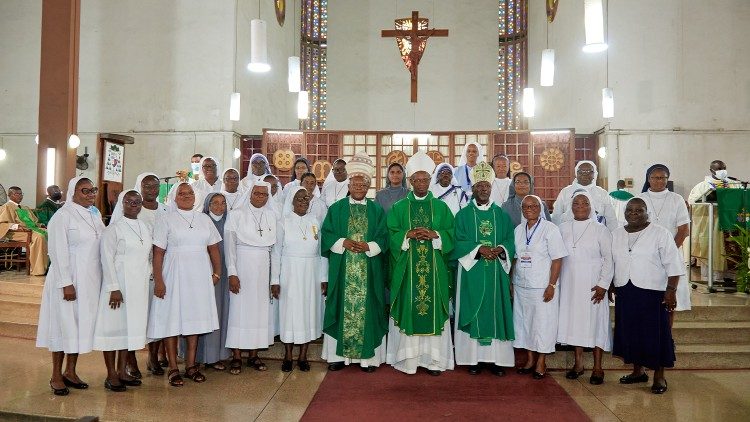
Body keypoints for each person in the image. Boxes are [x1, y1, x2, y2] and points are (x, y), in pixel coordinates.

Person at [386, 150, 455, 376]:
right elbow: (391, 234)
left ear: (430, 180)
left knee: (433, 309)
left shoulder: (442, 207)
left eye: (426, 179)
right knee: (410, 308)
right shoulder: (399, 208)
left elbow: (452, 234)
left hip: (435, 270)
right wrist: (408, 235)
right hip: (407, 270)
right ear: (411, 181)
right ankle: (410, 359)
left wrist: (436, 235)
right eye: (418, 179)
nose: (422, 183)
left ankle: (434, 360)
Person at [148, 182, 222, 387]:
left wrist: (216, 273)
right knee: (172, 319)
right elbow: (158, 253)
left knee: (194, 319)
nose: (187, 196)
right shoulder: (166, 219)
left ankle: (190, 365)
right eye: (182, 193)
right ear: (174, 197)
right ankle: (173, 367)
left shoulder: (204, 219)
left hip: (199, 275)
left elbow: (214, 248)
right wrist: (159, 280)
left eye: (190, 192)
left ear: (196, 196)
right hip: (173, 273)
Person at [36, 177, 105, 396]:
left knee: (78, 326)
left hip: (90, 280)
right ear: (73, 192)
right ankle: (56, 375)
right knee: (62, 324)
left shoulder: (95, 214)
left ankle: (71, 372)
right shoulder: (62, 216)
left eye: (92, 190)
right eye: (85, 190)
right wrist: (66, 283)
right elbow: (56, 251)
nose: (90, 194)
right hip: (68, 279)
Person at [321, 151, 389, 372]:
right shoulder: (337, 209)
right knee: (340, 307)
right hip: (343, 269)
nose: (359, 188)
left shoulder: (376, 210)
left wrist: (369, 246)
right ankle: (338, 357)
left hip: (368, 270)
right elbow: (327, 234)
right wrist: (343, 242)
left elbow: (384, 237)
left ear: (368, 187)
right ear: (349, 185)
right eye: (355, 184)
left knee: (369, 308)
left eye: (363, 185)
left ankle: (368, 359)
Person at [612, 198, 684, 394]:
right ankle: (638, 371)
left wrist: (671, 291)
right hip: (626, 290)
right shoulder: (617, 234)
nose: (633, 213)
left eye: (639, 210)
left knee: (656, 333)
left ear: (647, 213)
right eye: (630, 210)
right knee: (631, 331)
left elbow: (674, 264)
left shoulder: (660, 233)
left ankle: (659, 376)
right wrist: (611, 283)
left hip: (652, 292)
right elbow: (612, 261)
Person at [453, 162, 515, 376]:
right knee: (473, 308)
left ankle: (497, 360)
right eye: (479, 186)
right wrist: (479, 249)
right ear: (473, 189)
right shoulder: (462, 215)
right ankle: (473, 359)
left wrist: (501, 249)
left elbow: (510, 239)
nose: (483, 190)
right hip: (472, 270)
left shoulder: (501, 215)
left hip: (496, 271)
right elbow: (458, 240)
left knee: (496, 309)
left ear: (490, 188)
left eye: (486, 186)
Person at [92, 190, 151, 392]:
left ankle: (123, 371)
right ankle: (111, 374)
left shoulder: (143, 226)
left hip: (138, 286)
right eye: (129, 201)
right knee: (113, 329)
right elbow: (106, 260)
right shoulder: (114, 229)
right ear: (122, 204)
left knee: (129, 329)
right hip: (118, 286)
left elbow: (146, 256)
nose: (134, 204)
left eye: (137, 201)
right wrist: (114, 288)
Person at [557, 191, 614, 385]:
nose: (580, 206)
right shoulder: (562, 228)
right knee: (575, 323)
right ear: (570, 207)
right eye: (576, 203)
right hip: (569, 284)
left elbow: (609, 259)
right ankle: (578, 364)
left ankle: (598, 367)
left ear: (591, 206)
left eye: (585, 203)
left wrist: (603, 284)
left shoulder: (600, 229)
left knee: (596, 323)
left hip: (593, 285)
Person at [224, 181, 278, 374]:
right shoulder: (236, 215)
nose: (260, 197)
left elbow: (274, 250)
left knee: (259, 311)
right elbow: (229, 246)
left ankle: (254, 354)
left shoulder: (272, 216)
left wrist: (274, 279)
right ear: (250, 194)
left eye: (264, 194)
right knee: (240, 310)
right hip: (242, 265)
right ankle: (237, 355)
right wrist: (232, 272)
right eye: (257, 193)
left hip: (263, 266)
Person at [272, 186, 327, 372]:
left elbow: (321, 253)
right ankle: (288, 356)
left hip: (311, 272)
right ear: (291, 201)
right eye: (299, 198)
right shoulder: (283, 222)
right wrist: (275, 280)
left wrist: (324, 277)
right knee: (289, 312)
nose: (303, 201)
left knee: (308, 312)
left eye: (306, 198)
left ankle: (303, 356)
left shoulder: (315, 221)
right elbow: (276, 253)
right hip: (289, 272)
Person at [512, 195, 567, 380]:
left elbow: (558, 259)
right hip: (522, 285)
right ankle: (529, 359)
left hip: (542, 286)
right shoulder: (519, 230)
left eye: (533, 205)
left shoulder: (550, 229)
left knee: (543, 324)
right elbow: (515, 258)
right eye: (525, 206)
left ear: (540, 208)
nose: (529, 209)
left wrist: (552, 284)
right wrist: (512, 281)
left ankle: (541, 361)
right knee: (524, 323)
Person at [639, 164, 691, 315]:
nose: (659, 181)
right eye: (655, 178)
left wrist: (668, 252)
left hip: (672, 254)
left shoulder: (677, 199)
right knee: (647, 299)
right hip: (645, 255)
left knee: (669, 301)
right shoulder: (640, 199)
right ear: (648, 179)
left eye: (663, 178)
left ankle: (667, 338)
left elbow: (683, 230)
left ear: (667, 180)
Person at [688, 160, 741, 282]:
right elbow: (693, 204)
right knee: (714, 249)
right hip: (712, 224)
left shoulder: (734, 184)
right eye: (719, 169)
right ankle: (715, 278)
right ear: (711, 170)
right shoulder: (702, 186)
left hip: (731, 222)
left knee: (733, 248)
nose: (722, 171)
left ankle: (731, 277)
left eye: (724, 168)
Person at [196, 193, 231, 371]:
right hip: (205, 274)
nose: (219, 206)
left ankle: (217, 355)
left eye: (223, 203)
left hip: (225, 275)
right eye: (215, 203)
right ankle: (199, 355)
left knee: (221, 313)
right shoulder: (201, 221)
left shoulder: (230, 222)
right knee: (204, 314)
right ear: (208, 205)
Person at [552, 161, 618, 231]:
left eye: (589, 171)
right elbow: (557, 216)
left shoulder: (602, 193)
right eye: (581, 171)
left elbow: (611, 219)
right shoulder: (565, 192)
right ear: (576, 174)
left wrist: (612, 236)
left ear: (594, 174)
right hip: (570, 233)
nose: (585, 175)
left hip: (596, 233)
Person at [0, 186, 49, 275]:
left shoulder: (25, 208)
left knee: (50, 234)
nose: (20, 196)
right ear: (10, 195)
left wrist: (39, 225)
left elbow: (33, 222)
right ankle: (38, 269)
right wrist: (15, 226)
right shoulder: (6, 207)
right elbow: (2, 223)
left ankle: (48, 266)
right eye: (17, 194)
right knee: (39, 237)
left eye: (21, 194)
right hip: (17, 233)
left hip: (31, 230)